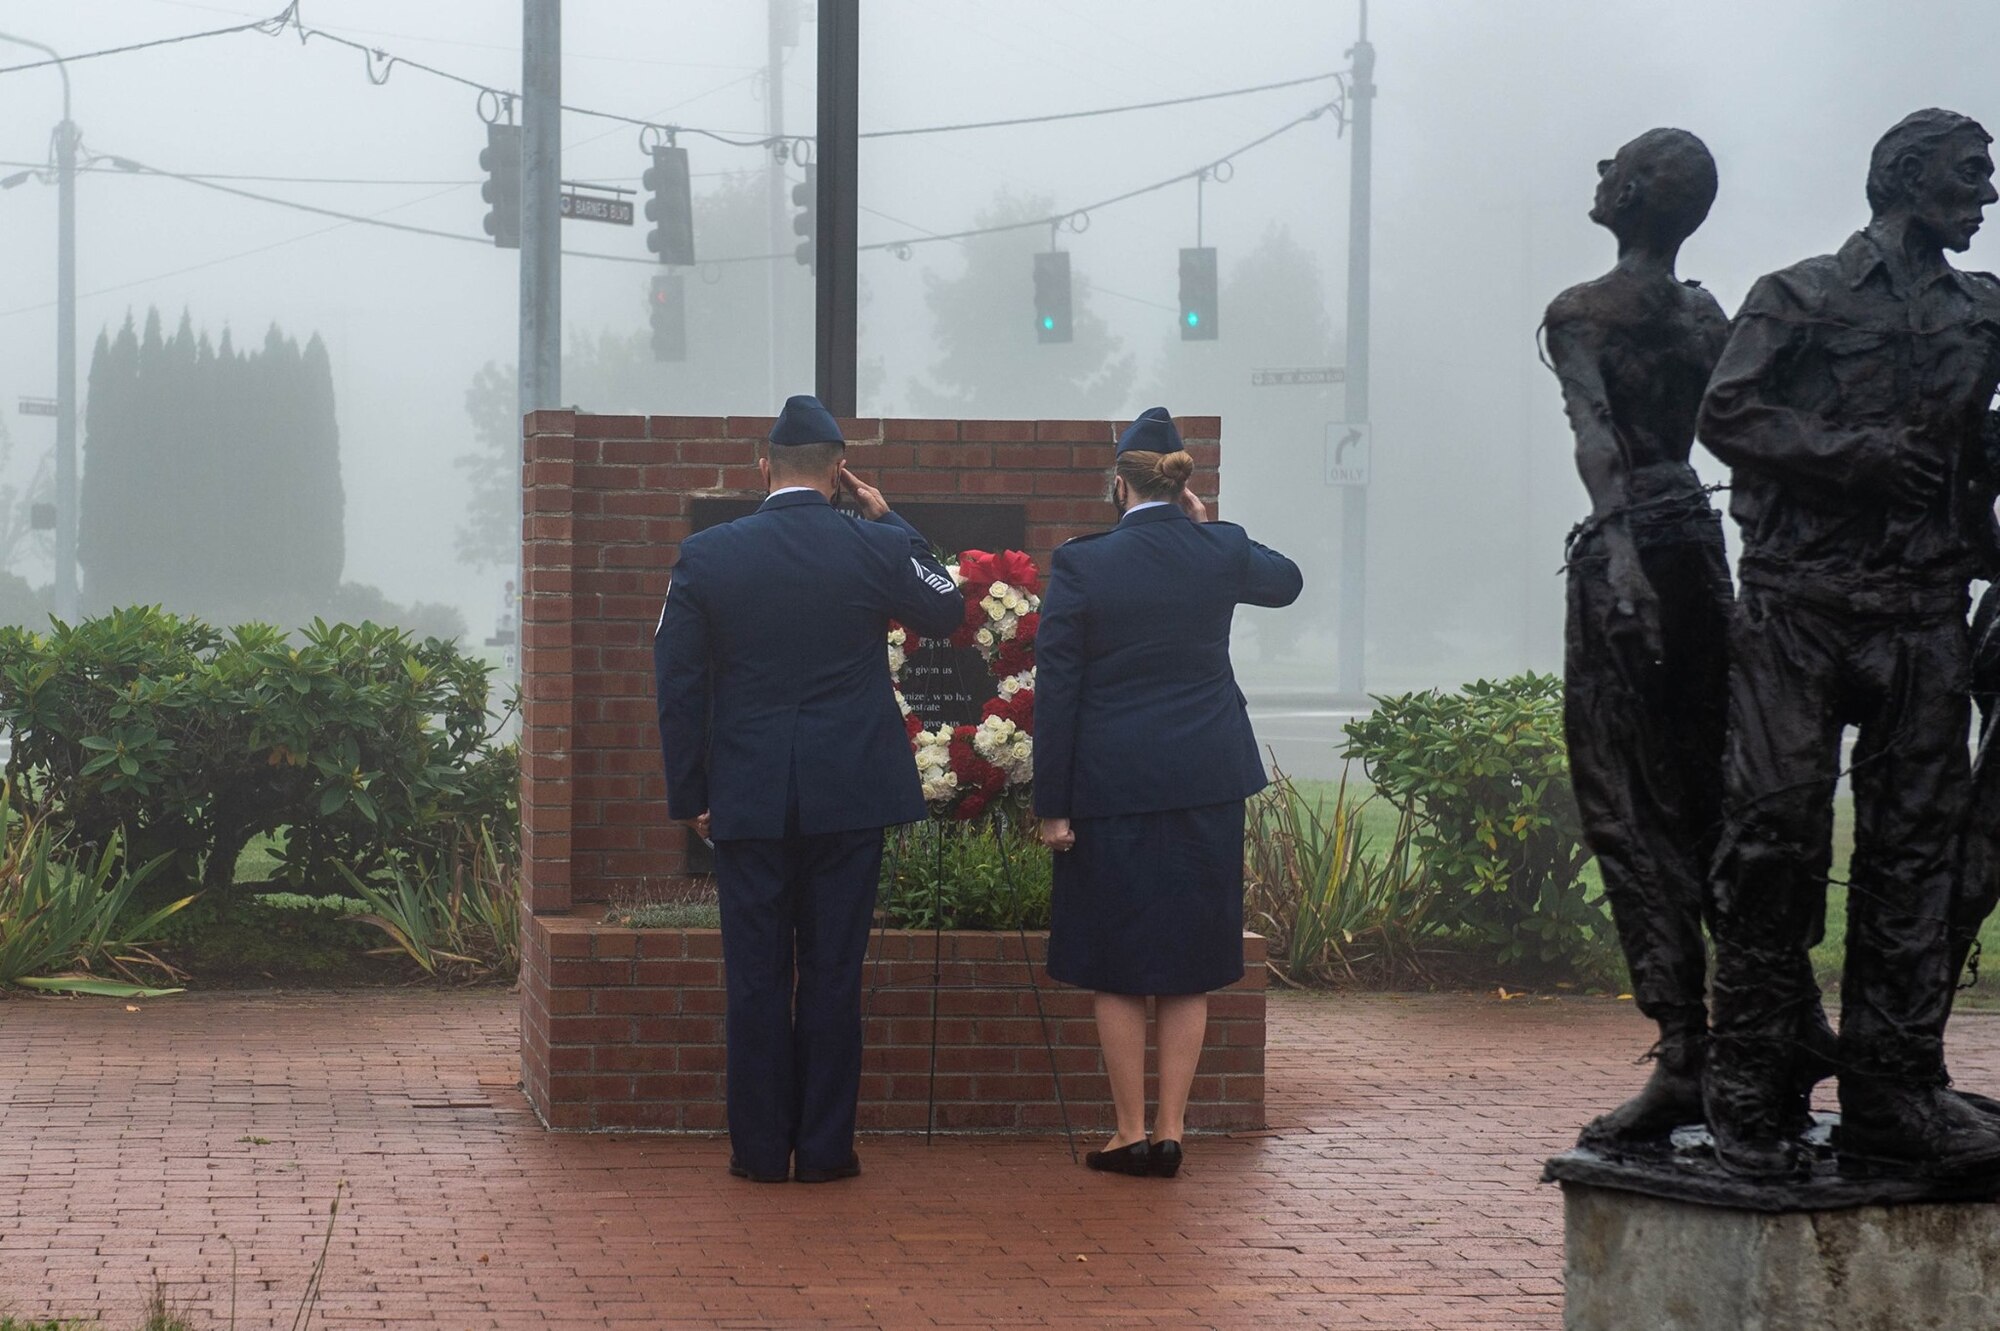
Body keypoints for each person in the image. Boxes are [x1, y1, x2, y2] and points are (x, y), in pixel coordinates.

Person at [1697, 109, 2000, 1180]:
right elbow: (1725, 412)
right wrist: (1850, 454)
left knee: (1913, 854)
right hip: (1801, 605)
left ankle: (1891, 1086)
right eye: (1969, 175)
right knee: (1773, 837)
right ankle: (1748, 1082)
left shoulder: (1982, 311)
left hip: (1920, 611)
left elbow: (1982, 451)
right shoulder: (1800, 294)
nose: (1985, 195)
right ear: (1904, 178)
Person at [653, 395, 964, 1183]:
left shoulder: (709, 555)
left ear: (761, 465)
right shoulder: (872, 546)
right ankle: (825, 1150)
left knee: (756, 977)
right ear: (838, 472)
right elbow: (949, 607)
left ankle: (759, 1152)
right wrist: (892, 522)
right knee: (832, 973)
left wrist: (691, 789)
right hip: (849, 793)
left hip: (749, 793)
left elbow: (678, 681)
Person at [1033, 406, 1302, 1178]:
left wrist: (1053, 804)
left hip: (1109, 783)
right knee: (1188, 956)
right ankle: (1174, 1126)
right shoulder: (1217, 550)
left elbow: (1059, 691)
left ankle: (1127, 1132)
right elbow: (1286, 583)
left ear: (1119, 484)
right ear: (1178, 483)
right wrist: (1211, 525)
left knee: (1116, 961)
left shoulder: (1083, 564)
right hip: (1205, 778)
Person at [1542, 128, 1736, 1147]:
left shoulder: (1580, 312)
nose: (1594, 174)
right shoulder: (1703, 312)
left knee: (1622, 798)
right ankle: (1749, 1032)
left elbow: (1595, 439)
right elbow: (1727, 430)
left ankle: (1683, 1049)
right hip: (1699, 547)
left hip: (1630, 555)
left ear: (1630, 193)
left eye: (1607, 164)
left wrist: (1617, 554)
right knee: (1708, 791)